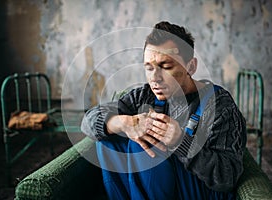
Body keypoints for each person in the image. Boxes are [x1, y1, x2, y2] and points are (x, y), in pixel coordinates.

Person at [81, 21, 246, 200]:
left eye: (166, 67)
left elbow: (227, 178)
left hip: (200, 192)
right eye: (149, 68)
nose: (155, 78)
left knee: (145, 143)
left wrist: (181, 142)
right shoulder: (144, 95)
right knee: (109, 140)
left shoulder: (219, 106)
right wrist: (125, 123)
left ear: (191, 67)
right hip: (161, 187)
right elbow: (87, 122)